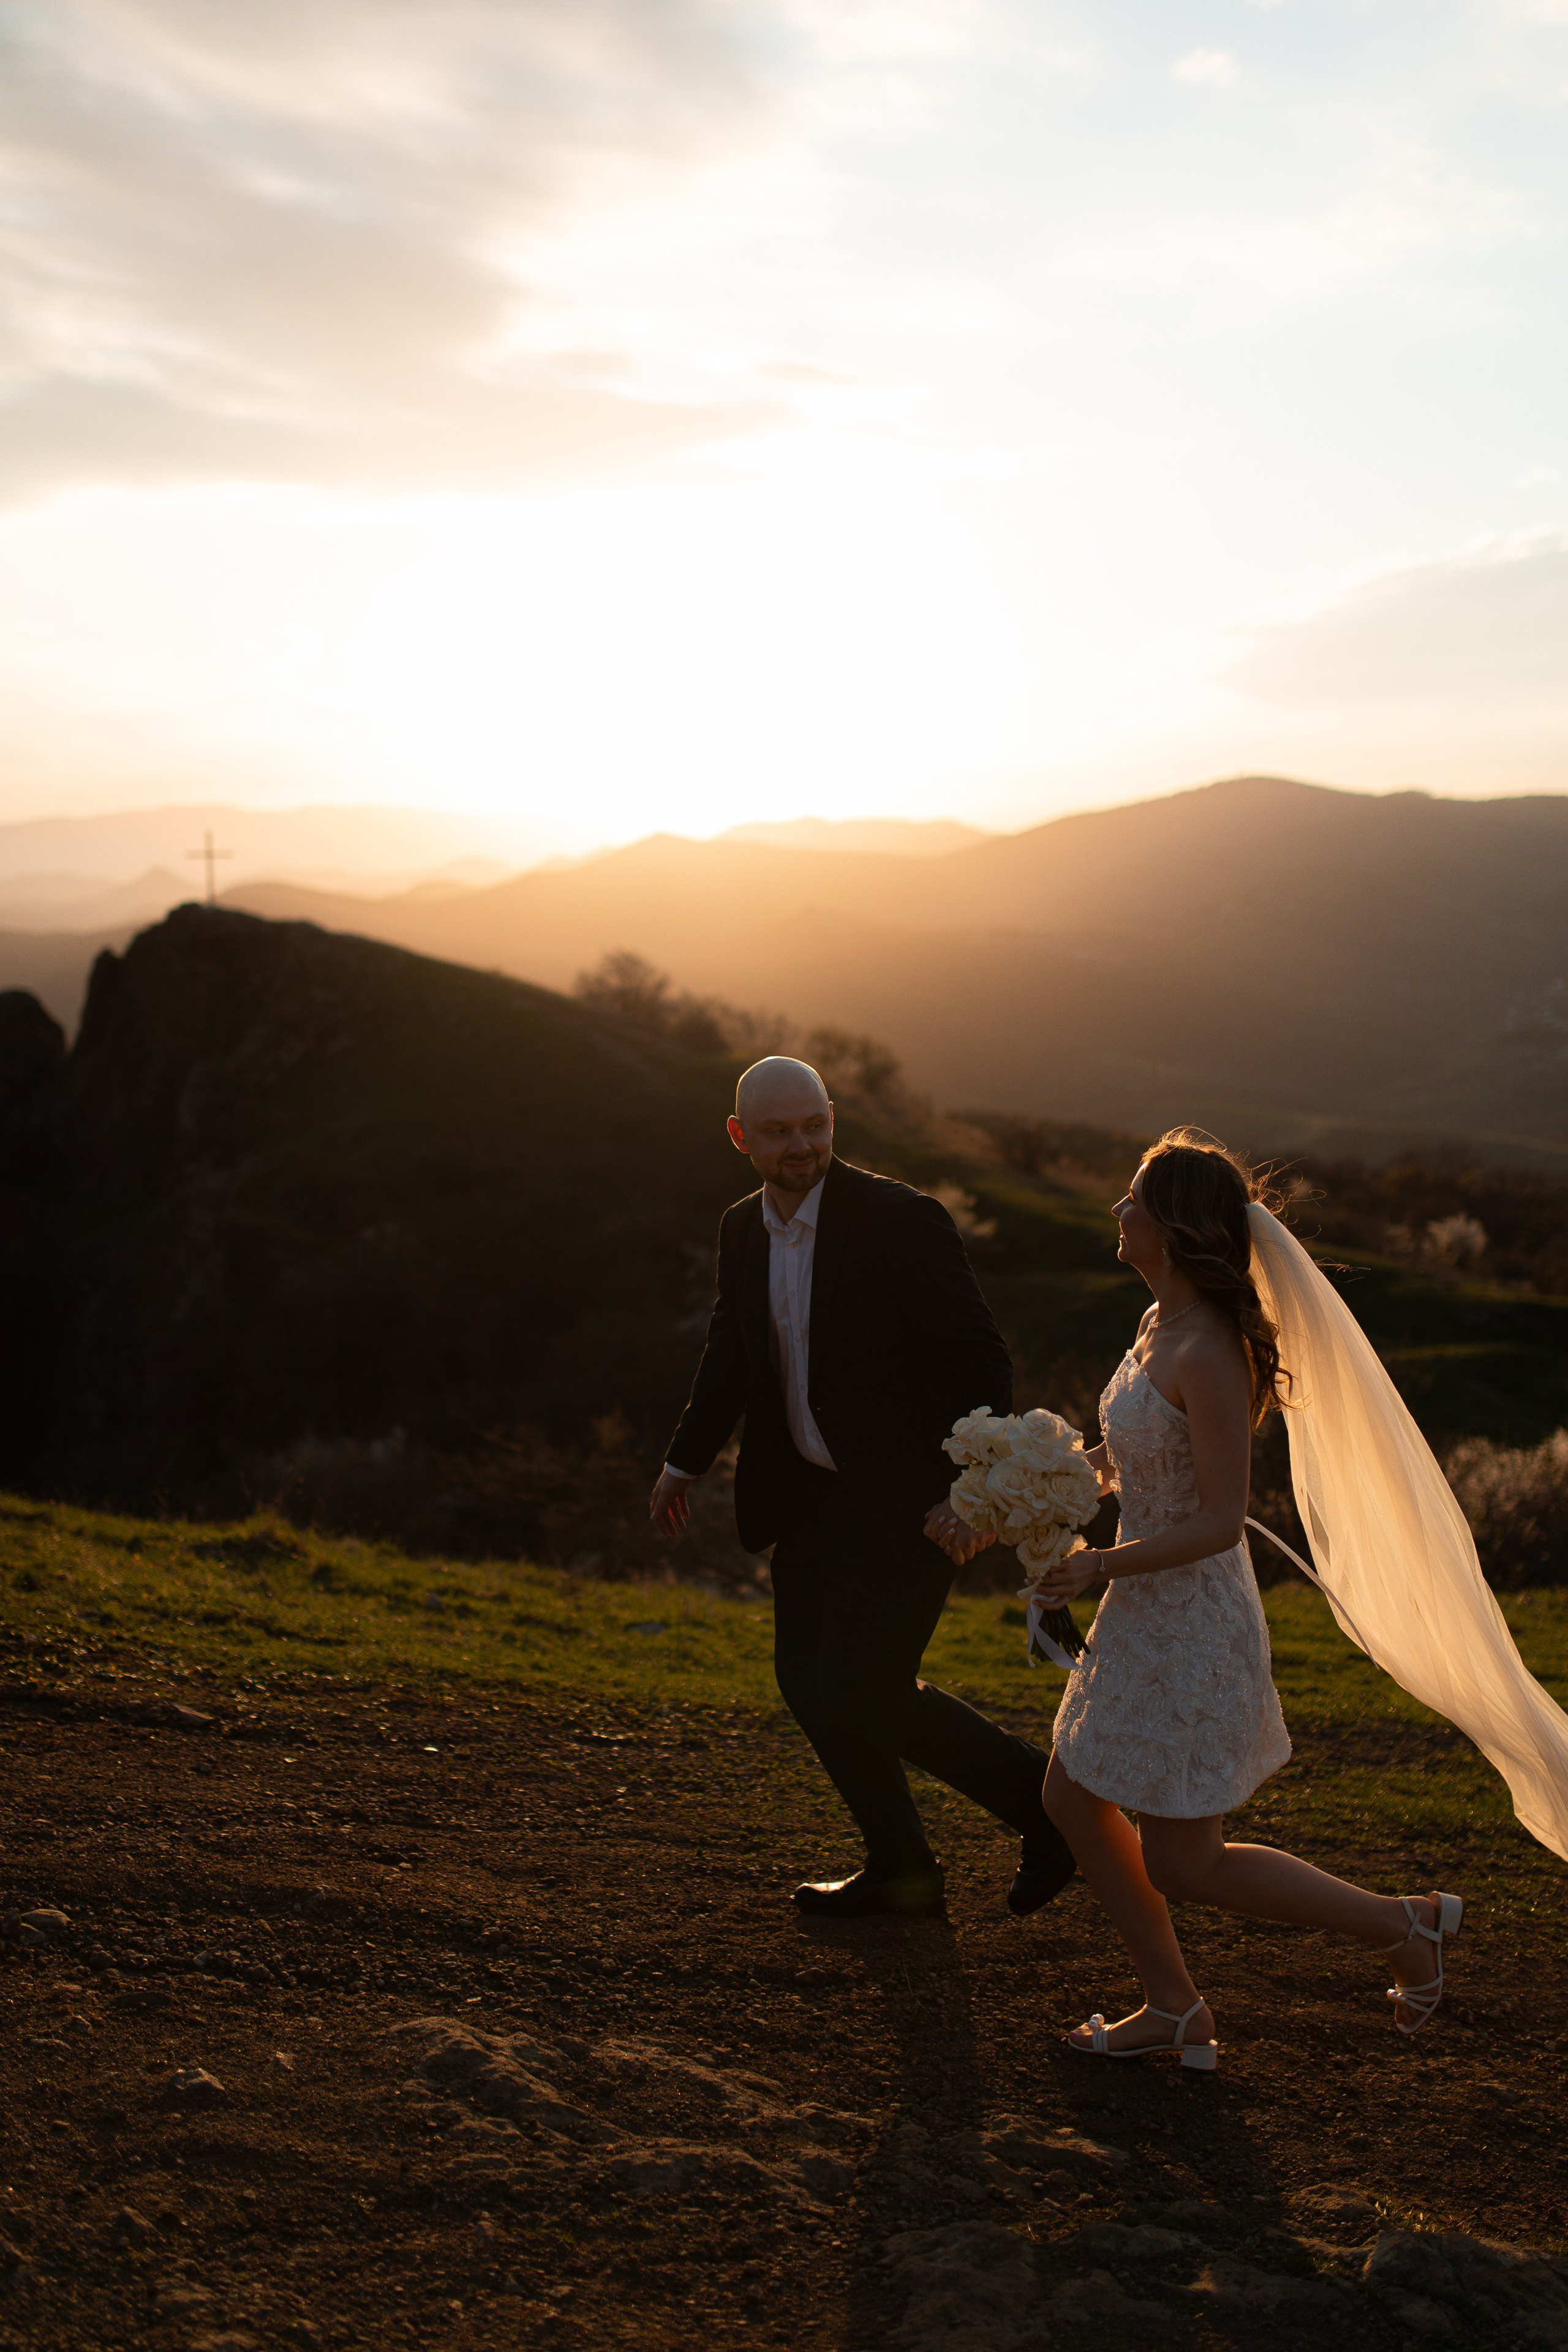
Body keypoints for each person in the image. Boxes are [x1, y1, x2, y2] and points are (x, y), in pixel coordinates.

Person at [930, 1130, 1465, 2067]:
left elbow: (1220, 1519)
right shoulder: (1155, 1327)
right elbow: (1132, 1463)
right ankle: (1177, 2004)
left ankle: (1399, 1927)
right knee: (1078, 1801)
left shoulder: (1212, 1350)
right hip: (1141, 1609)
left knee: (1184, 1859)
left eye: (1133, 1199)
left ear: (1174, 1227)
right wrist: (1022, 1494)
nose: (1117, 1211)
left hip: (1192, 1620)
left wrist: (1098, 1567)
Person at [649, 1055, 1077, 1920]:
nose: (801, 1144)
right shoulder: (741, 1230)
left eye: (814, 1124)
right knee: (811, 1687)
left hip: (910, 1503)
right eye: (777, 1131)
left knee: (864, 1688)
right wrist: (683, 1459)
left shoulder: (901, 1219)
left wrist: (975, 1490)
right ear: (741, 1137)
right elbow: (731, 1351)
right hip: (808, 1499)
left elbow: (979, 1361)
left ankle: (1055, 1813)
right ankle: (902, 1871)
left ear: (832, 1117)